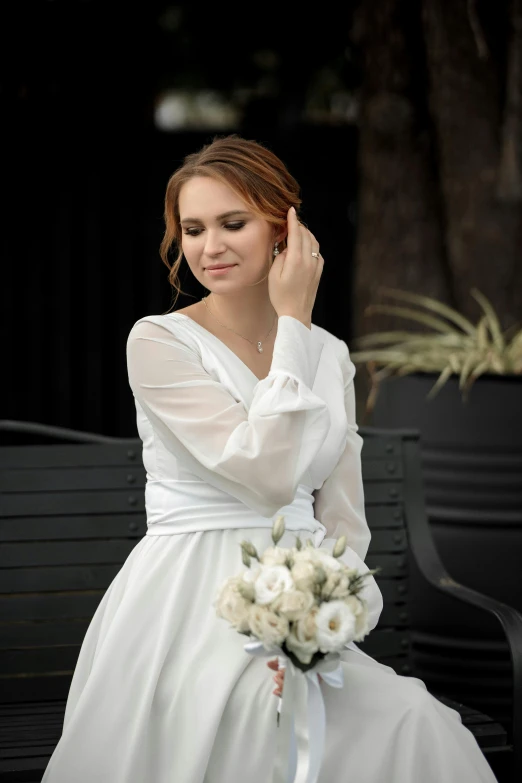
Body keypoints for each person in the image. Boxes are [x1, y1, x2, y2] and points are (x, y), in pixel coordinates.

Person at [41, 135, 498, 783]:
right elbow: (266, 475)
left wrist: (323, 627)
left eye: (233, 223)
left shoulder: (329, 355)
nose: (210, 246)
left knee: (415, 716)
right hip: (186, 611)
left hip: (294, 606)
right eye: (192, 229)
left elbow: (344, 521)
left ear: (285, 227)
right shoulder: (159, 342)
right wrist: (293, 324)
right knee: (255, 725)